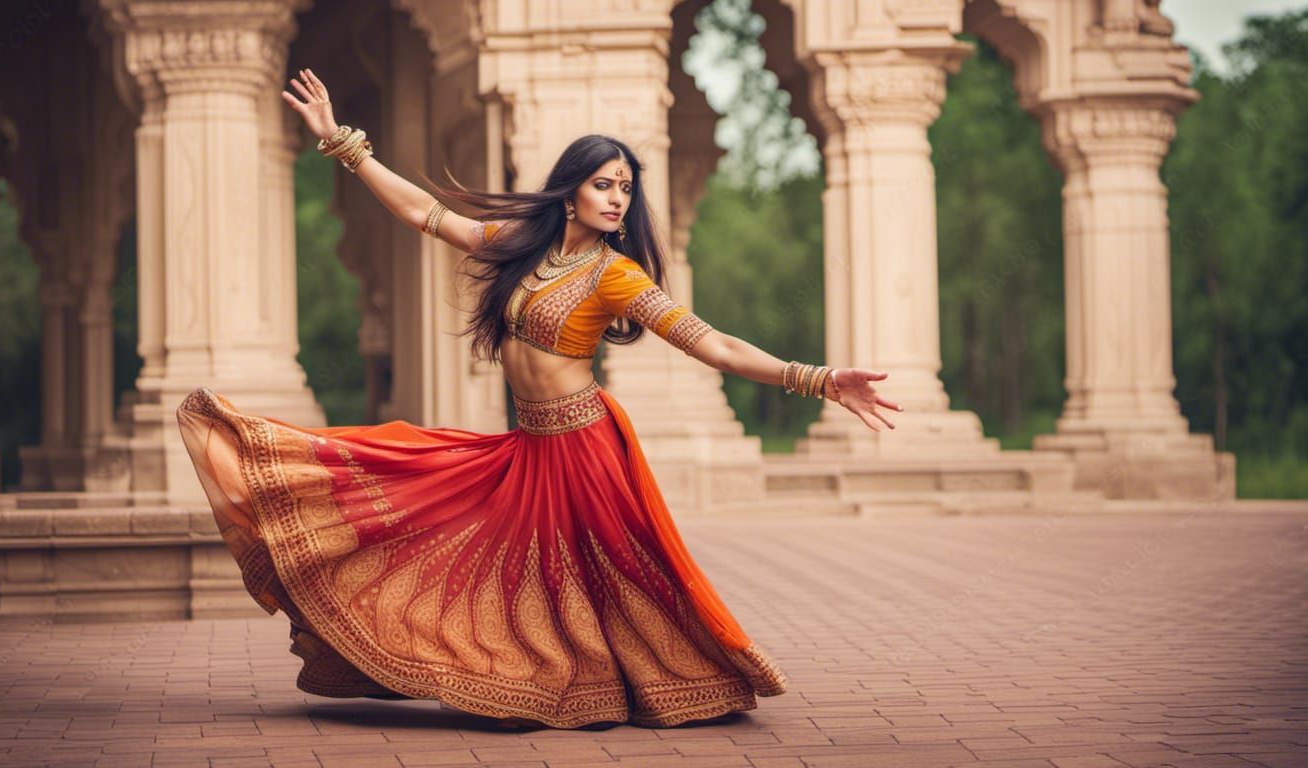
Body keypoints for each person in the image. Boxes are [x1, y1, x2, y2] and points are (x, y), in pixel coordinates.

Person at [175, 67, 903, 730]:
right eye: (605, 184)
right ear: (571, 190)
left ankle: (666, 679)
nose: (617, 199)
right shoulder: (519, 246)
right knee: (459, 531)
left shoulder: (616, 275)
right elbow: (425, 214)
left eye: (626, 189)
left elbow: (713, 345)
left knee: (616, 578)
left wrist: (817, 379)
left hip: (586, 446)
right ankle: (517, 674)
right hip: (529, 445)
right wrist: (343, 143)